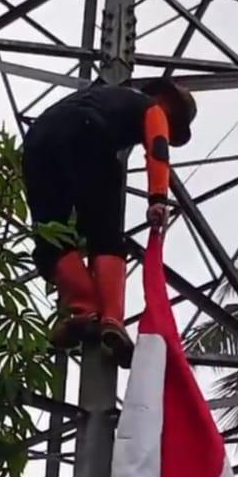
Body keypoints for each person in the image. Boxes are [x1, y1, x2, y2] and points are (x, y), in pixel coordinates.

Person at [21, 79, 195, 362]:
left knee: (50, 234)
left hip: (38, 142)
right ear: (168, 102)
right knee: (105, 233)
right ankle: (112, 318)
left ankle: (84, 309)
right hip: (89, 133)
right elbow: (158, 148)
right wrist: (157, 199)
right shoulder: (153, 108)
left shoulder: (101, 96)